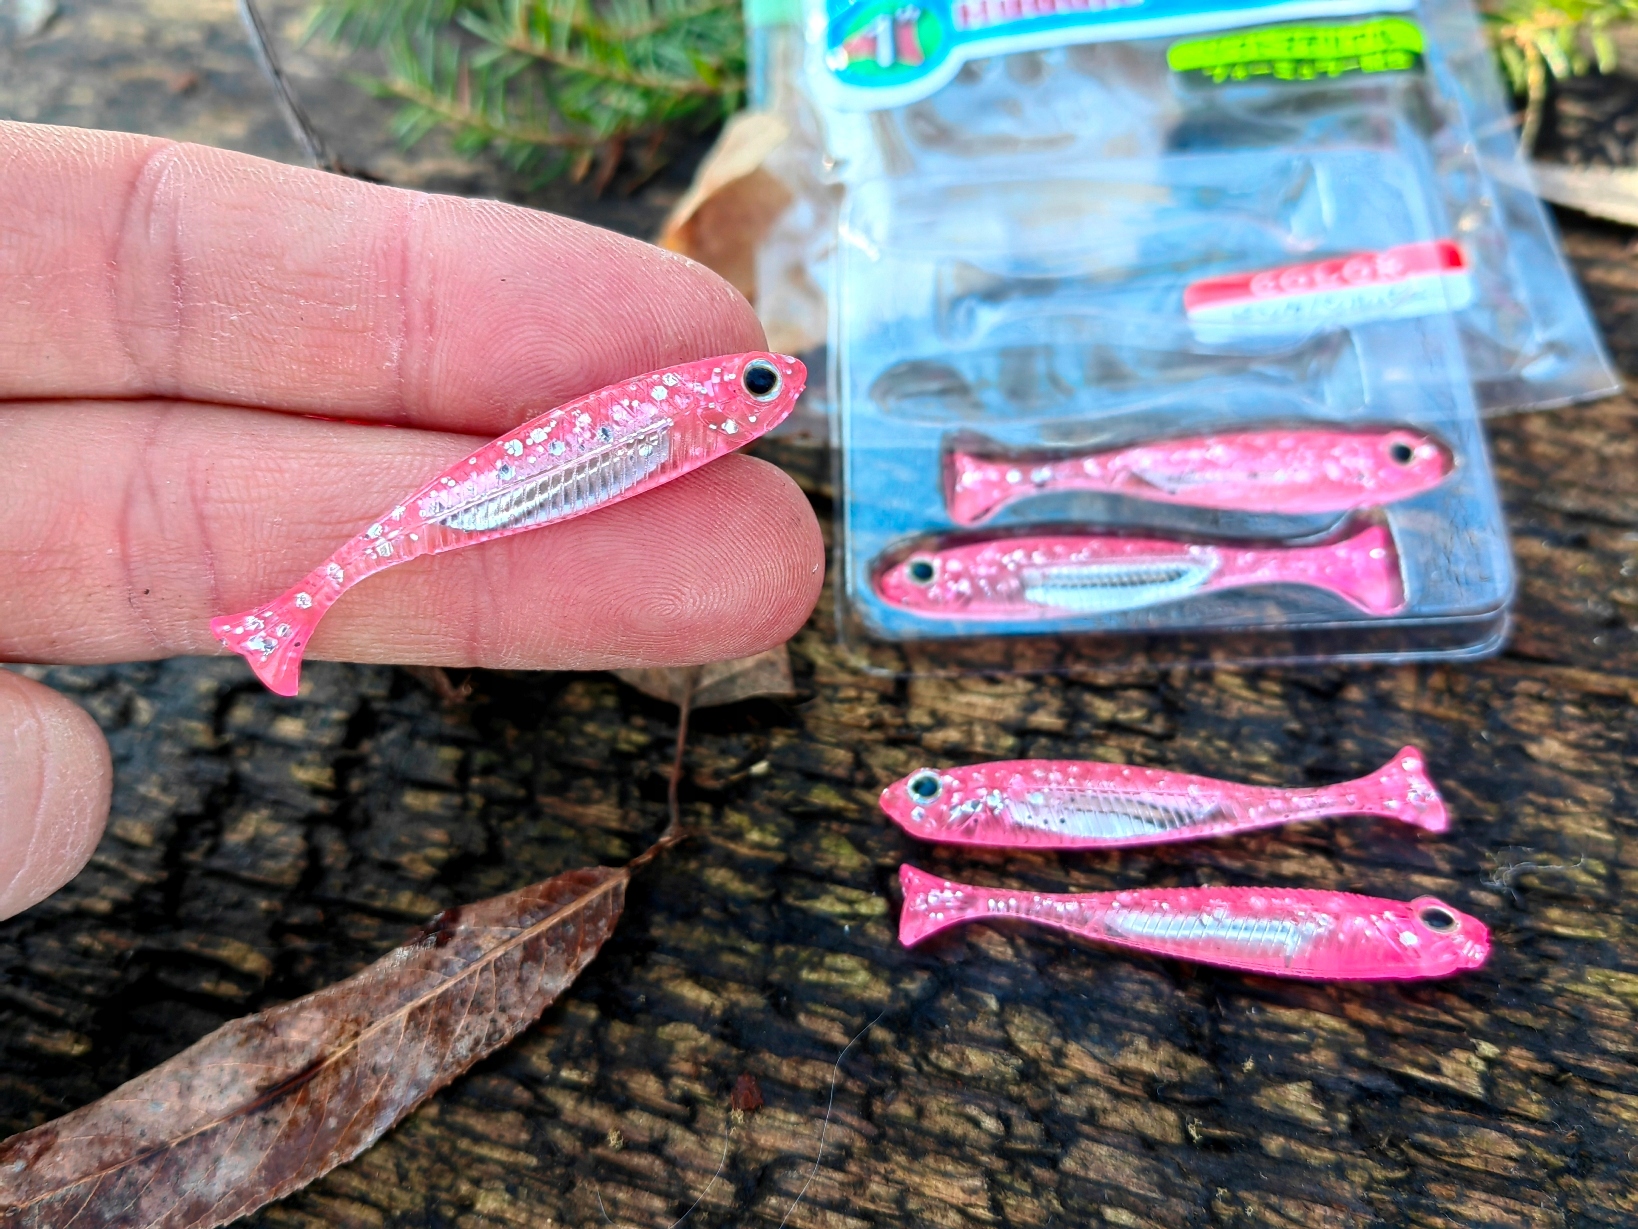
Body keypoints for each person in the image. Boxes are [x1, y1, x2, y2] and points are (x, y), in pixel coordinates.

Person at [0, 121, 826, 921]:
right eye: (757, 385)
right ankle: (284, 618)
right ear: (716, 398)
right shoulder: (677, 408)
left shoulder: (681, 420)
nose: (774, 388)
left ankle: (287, 617)